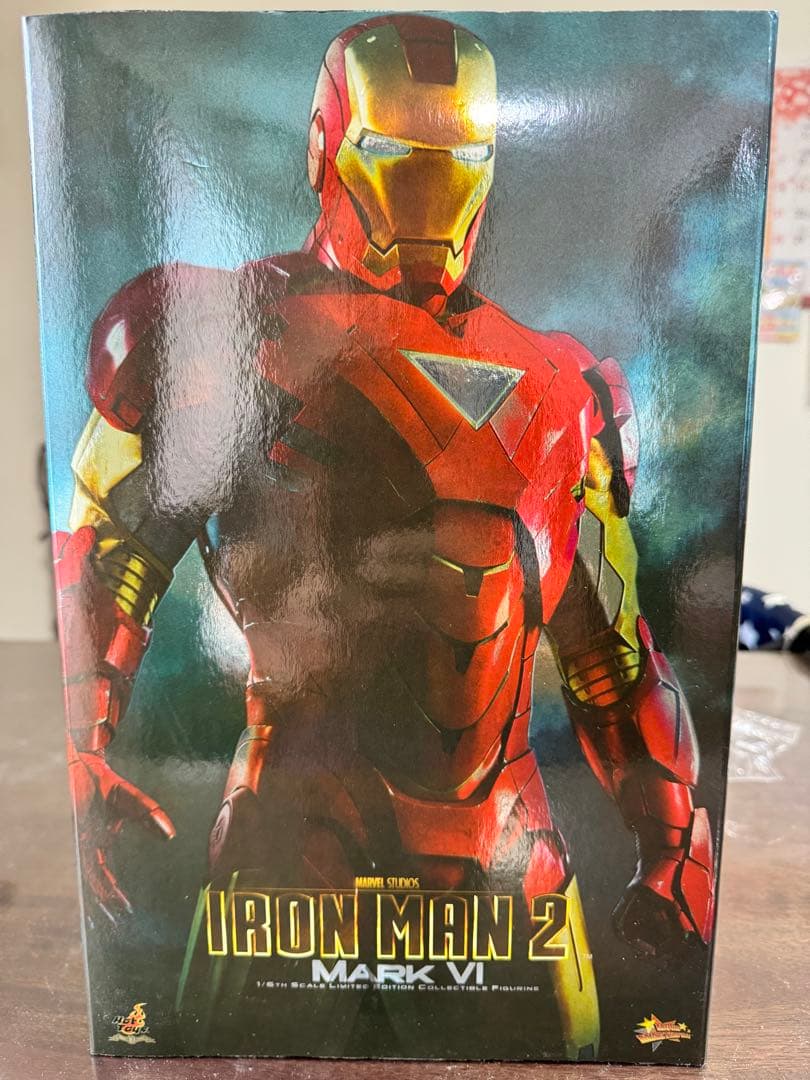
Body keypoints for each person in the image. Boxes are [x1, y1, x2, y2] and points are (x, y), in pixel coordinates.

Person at [54, 14, 714, 1058]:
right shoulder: (225, 329)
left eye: (456, 166)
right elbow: (105, 558)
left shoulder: (560, 388)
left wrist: (675, 842)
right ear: (334, 151)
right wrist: (76, 746)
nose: (430, 198)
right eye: (401, 163)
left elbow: (613, 651)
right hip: (295, 842)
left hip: (506, 861)